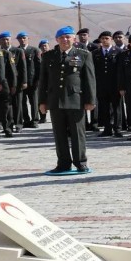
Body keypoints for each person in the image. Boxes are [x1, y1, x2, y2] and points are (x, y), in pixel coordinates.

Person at [39, 26, 97, 173]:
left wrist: (91, 100)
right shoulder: (48, 56)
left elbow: (89, 79)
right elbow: (43, 81)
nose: (65, 40)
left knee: (78, 134)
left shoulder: (83, 55)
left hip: (75, 100)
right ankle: (63, 163)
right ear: (57, 39)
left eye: (68, 37)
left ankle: (81, 162)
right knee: (59, 135)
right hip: (55, 100)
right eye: (62, 37)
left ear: (73, 39)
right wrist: (42, 102)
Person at [93, 31, 123, 137]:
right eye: (103, 39)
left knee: (116, 108)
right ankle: (107, 128)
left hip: (115, 85)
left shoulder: (119, 52)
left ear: (111, 39)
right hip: (101, 85)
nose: (105, 40)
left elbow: (121, 70)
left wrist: (121, 85)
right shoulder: (95, 53)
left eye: (107, 38)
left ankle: (117, 129)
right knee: (104, 108)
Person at [16, 31, 41, 128]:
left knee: (34, 101)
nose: (22, 40)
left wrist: (38, 79)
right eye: (20, 38)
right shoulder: (16, 51)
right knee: (22, 102)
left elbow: (39, 66)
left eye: (24, 38)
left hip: (32, 81)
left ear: (28, 39)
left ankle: (35, 120)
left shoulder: (34, 50)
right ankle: (26, 120)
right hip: (20, 81)